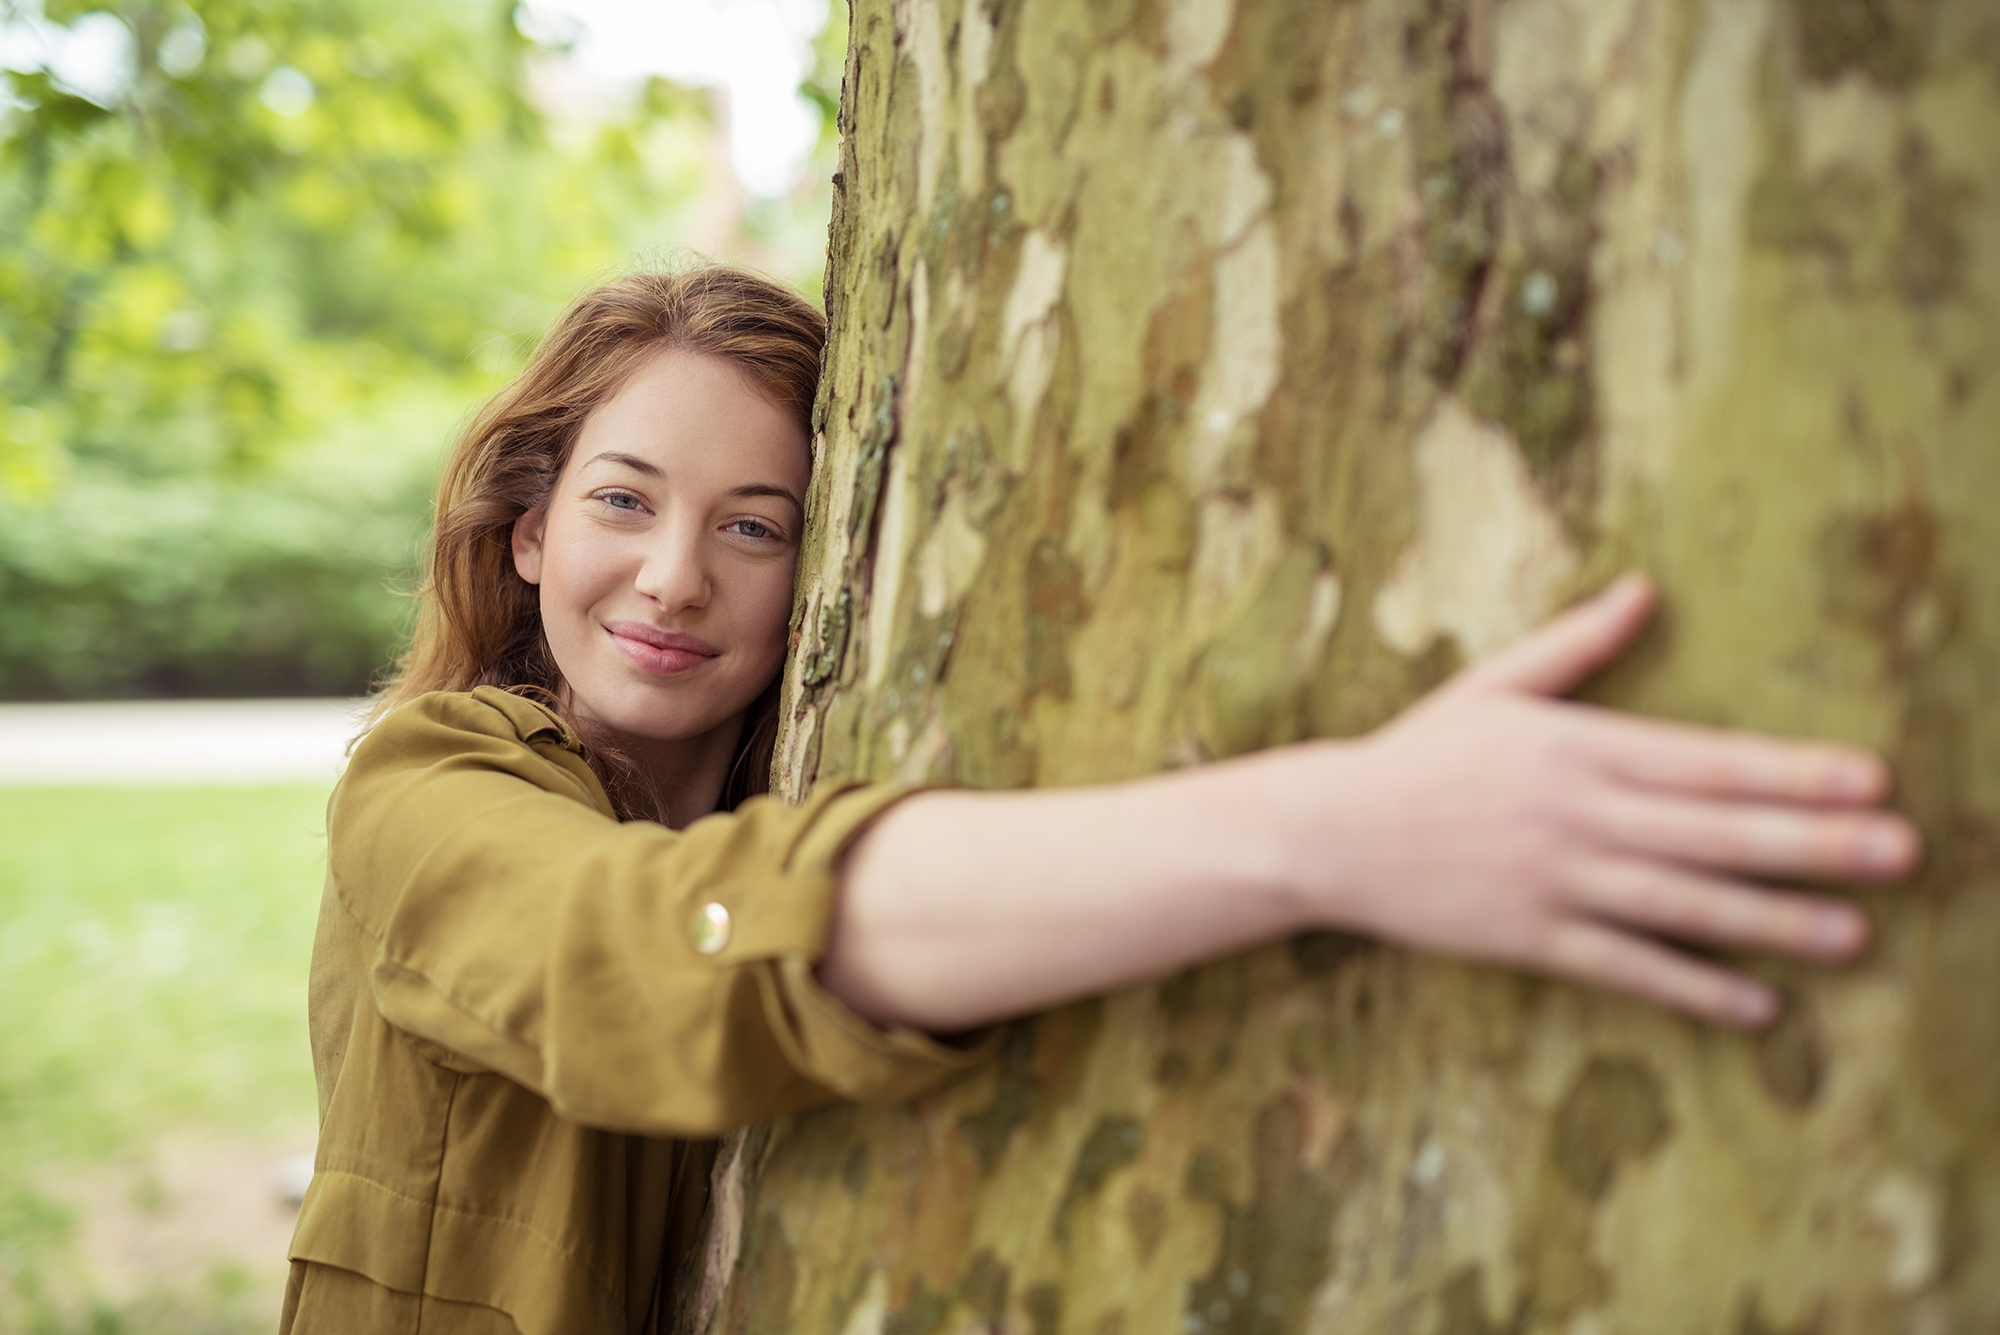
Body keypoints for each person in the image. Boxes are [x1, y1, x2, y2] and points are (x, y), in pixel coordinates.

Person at [283, 266, 1919, 1334]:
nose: (672, 578)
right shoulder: (422, 790)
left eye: (756, 527)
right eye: (623, 502)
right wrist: (1346, 829)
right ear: (525, 533)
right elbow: (630, 955)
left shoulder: (826, 773)